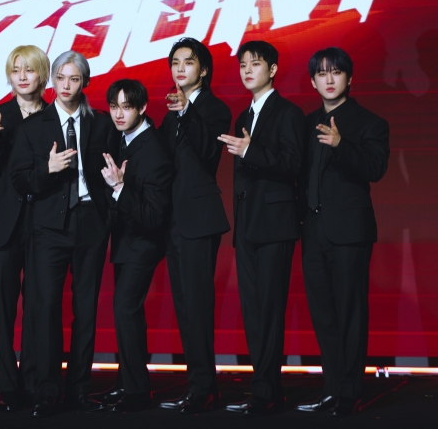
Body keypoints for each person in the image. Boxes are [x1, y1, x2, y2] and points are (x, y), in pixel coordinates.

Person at [10, 50, 118, 417]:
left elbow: (115, 170)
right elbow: (20, 179)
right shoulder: (33, 127)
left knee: (85, 309)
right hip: (49, 228)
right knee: (45, 308)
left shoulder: (101, 123)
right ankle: (47, 390)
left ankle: (79, 391)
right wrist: (48, 168)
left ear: (84, 82)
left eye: (74, 79)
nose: (67, 86)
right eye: (61, 78)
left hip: (90, 222)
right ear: (52, 81)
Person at [295, 47, 389, 417]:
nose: (329, 79)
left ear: (349, 78)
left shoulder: (370, 122)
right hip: (313, 230)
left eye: (336, 72)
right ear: (313, 81)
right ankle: (332, 389)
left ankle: (350, 392)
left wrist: (340, 144)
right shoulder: (304, 123)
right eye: (321, 73)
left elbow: (376, 168)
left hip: (350, 231)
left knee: (350, 313)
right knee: (323, 314)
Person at [219, 40, 304, 416]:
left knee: (269, 310)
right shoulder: (243, 116)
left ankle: (267, 392)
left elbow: (292, 164)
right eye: (243, 65)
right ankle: (264, 388)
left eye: (256, 64)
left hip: (275, 226)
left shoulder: (288, 113)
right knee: (253, 311)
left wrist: (251, 151)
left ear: (272, 69)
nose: (247, 70)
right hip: (248, 228)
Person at [157, 37, 231, 414]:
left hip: (199, 221)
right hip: (173, 221)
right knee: (185, 307)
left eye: (188, 62)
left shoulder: (214, 108)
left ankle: (205, 387)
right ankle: (198, 384)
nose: (180, 68)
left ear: (203, 69)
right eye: (175, 62)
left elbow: (206, 152)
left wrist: (188, 112)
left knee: (198, 306)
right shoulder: (171, 114)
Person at [0, 45, 50, 411]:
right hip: (4, 224)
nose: (22, 76)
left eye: (30, 70)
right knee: (4, 308)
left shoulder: (56, 116)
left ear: (43, 75)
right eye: (16, 70)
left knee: (39, 306)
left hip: (43, 225)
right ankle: (8, 384)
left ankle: (36, 380)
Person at [97, 79, 172, 412]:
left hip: (144, 242)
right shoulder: (123, 140)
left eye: (127, 106)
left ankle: (138, 392)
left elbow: (154, 216)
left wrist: (120, 188)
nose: (118, 113)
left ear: (142, 108)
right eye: (114, 106)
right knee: (129, 313)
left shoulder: (152, 149)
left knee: (125, 308)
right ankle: (127, 382)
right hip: (126, 241)